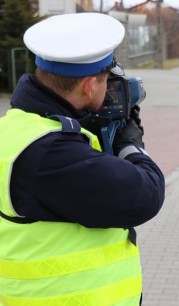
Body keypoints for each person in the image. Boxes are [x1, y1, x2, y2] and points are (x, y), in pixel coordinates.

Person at [0, 13, 165, 305]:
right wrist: (130, 143)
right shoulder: (52, 154)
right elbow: (146, 194)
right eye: (106, 82)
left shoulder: (15, 126)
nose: (109, 89)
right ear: (89, 86)